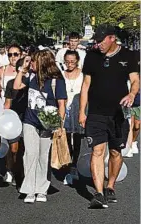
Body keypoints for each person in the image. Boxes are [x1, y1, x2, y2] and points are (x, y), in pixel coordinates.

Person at [79, 24, 139, 208]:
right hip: (96, 113)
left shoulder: (128, 55)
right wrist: (82, 111)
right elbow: (85, 85)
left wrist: (132, 94)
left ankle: (110, 186)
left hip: (118, 113)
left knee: (115, 152)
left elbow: (135, 80)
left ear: (112, 38)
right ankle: (98, 193)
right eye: (96, 41)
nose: (98, 44)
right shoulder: (92, 56)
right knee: (97, 151)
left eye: (101, 40)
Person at [13, 50, 67, 204]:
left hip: (48, 122)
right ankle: (29, 189)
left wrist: (59, 124)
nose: (31, 64)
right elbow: (17, 86)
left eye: (34, 61)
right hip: (30, 121)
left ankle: (41, 189)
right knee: (30, 155)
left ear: (42, 63)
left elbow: (62, 104)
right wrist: (22, 68)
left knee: (44, 156)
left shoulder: (56, 80)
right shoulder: (31, 76)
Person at [3, 57, 29, 189]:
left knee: (25, 150)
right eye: (22, 67)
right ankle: (11, 169)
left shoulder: (32, 82)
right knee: (14, 149)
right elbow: (7, 103)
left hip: (28, 118)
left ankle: (24, 176)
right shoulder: (10, 83)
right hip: (13, 119)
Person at [61, 50, 84, 185]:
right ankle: (69, 164)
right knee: (66, 138)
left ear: (77, 61)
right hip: (65, 109)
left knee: (77, 138)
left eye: (72, 61)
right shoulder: (61, 75)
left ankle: (74, 164)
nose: (69, 64)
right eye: (67, 61)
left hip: (78, 109)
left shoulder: (83, 75)